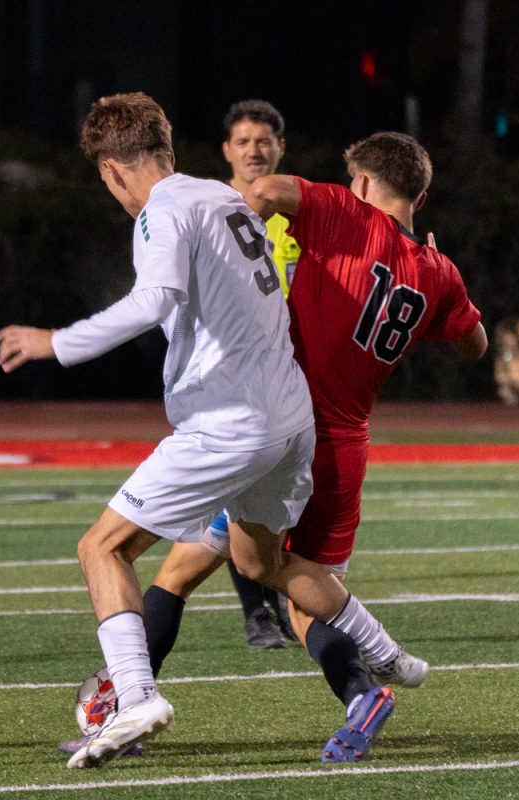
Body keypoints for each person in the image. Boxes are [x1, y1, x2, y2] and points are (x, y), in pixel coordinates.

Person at [0, 92, 421, 769]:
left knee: (102, 549)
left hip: (230, 424)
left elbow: (153, 300)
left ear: (111, 170)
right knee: (263, 563)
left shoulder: (165, 209)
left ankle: (135, 697)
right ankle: (387, 655)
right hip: (289, 419)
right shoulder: (224, 199)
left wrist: (57, 343)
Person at [68, 131, 487, 764]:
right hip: (344, 449)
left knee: (175, 572)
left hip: (274, 427)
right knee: (301, 588)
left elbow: (264, 193)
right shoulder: (437, 273)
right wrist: (434, 289)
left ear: (366, 186)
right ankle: (366, 690)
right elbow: (475, 344)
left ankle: (128, 706)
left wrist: (229, 236)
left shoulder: (349, 216)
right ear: (421, 195)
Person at [219, 99, 301, 649]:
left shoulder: (298, 213)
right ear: (227, 150)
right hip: (232, 378)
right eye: (243, 141)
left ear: (279, 148)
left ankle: (288, 604)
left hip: (293, 374)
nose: (253, 150)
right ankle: (258, 612)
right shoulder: (213, 210)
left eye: (263, 141)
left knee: (290, 495)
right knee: (235, 495)